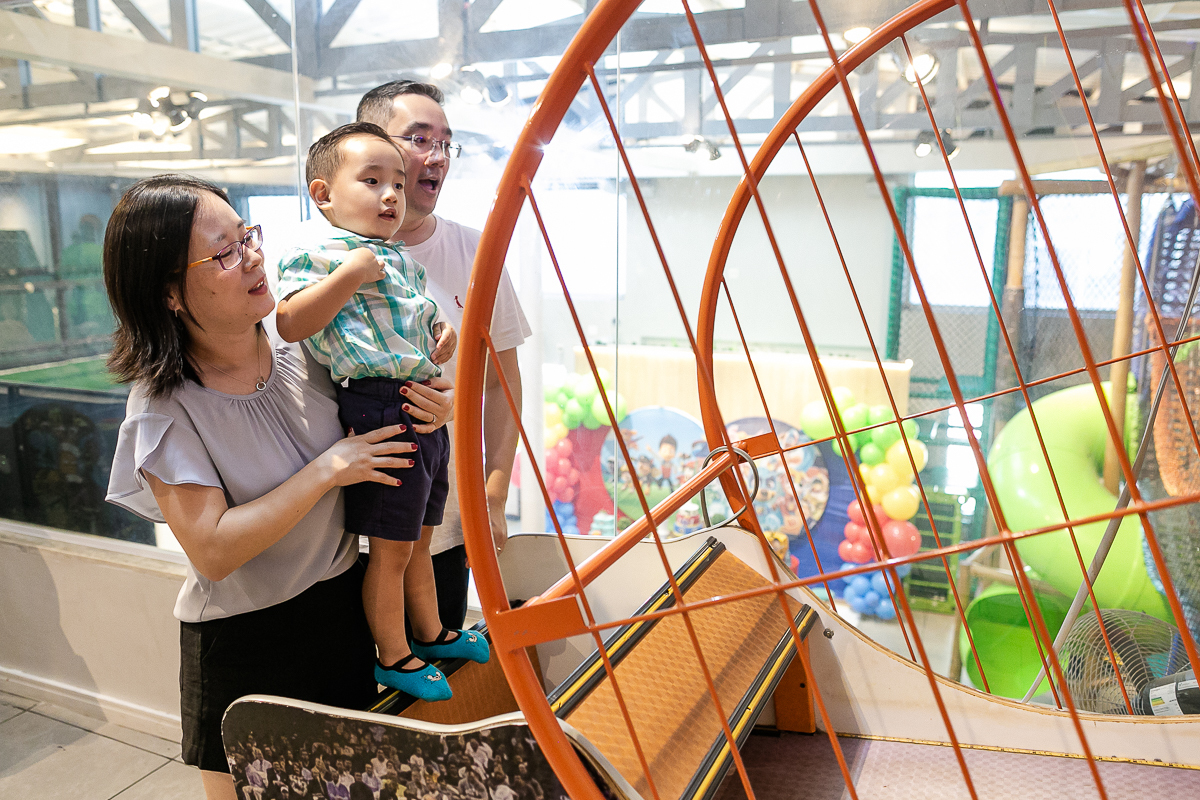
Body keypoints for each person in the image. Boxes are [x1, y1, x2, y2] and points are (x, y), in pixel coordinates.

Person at [103, 174, 454, 800]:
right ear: (170, 296)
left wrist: (436, 404)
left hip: (341, 612)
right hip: (245, 640)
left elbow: (399, 379)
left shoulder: (311, 345)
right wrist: (329, 469)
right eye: (224, 253)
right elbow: (211, 548)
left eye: (247, 238)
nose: (254, 258)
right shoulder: (163, 407)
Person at [275, 122, 489, 700]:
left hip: (421, 408)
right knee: (390, 550)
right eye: (372, 181)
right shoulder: (316, 254)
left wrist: (440, 334)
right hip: (378, 406)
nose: (391, 195)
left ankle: (433, 633)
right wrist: (347, 275)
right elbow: (291, 322)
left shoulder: (400, 261)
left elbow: (417, 321)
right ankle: (393, 657)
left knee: (420, 537)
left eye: (397, 183)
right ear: (323, 195)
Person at [357, 81, 531, 630]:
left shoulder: (476, 252)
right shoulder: (325, 256)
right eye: (419, 138)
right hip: (343, 535)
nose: (437, 158)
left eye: (446, 144)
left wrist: (494, 493)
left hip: (445, 523)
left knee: (435, 679)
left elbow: (502, 383)